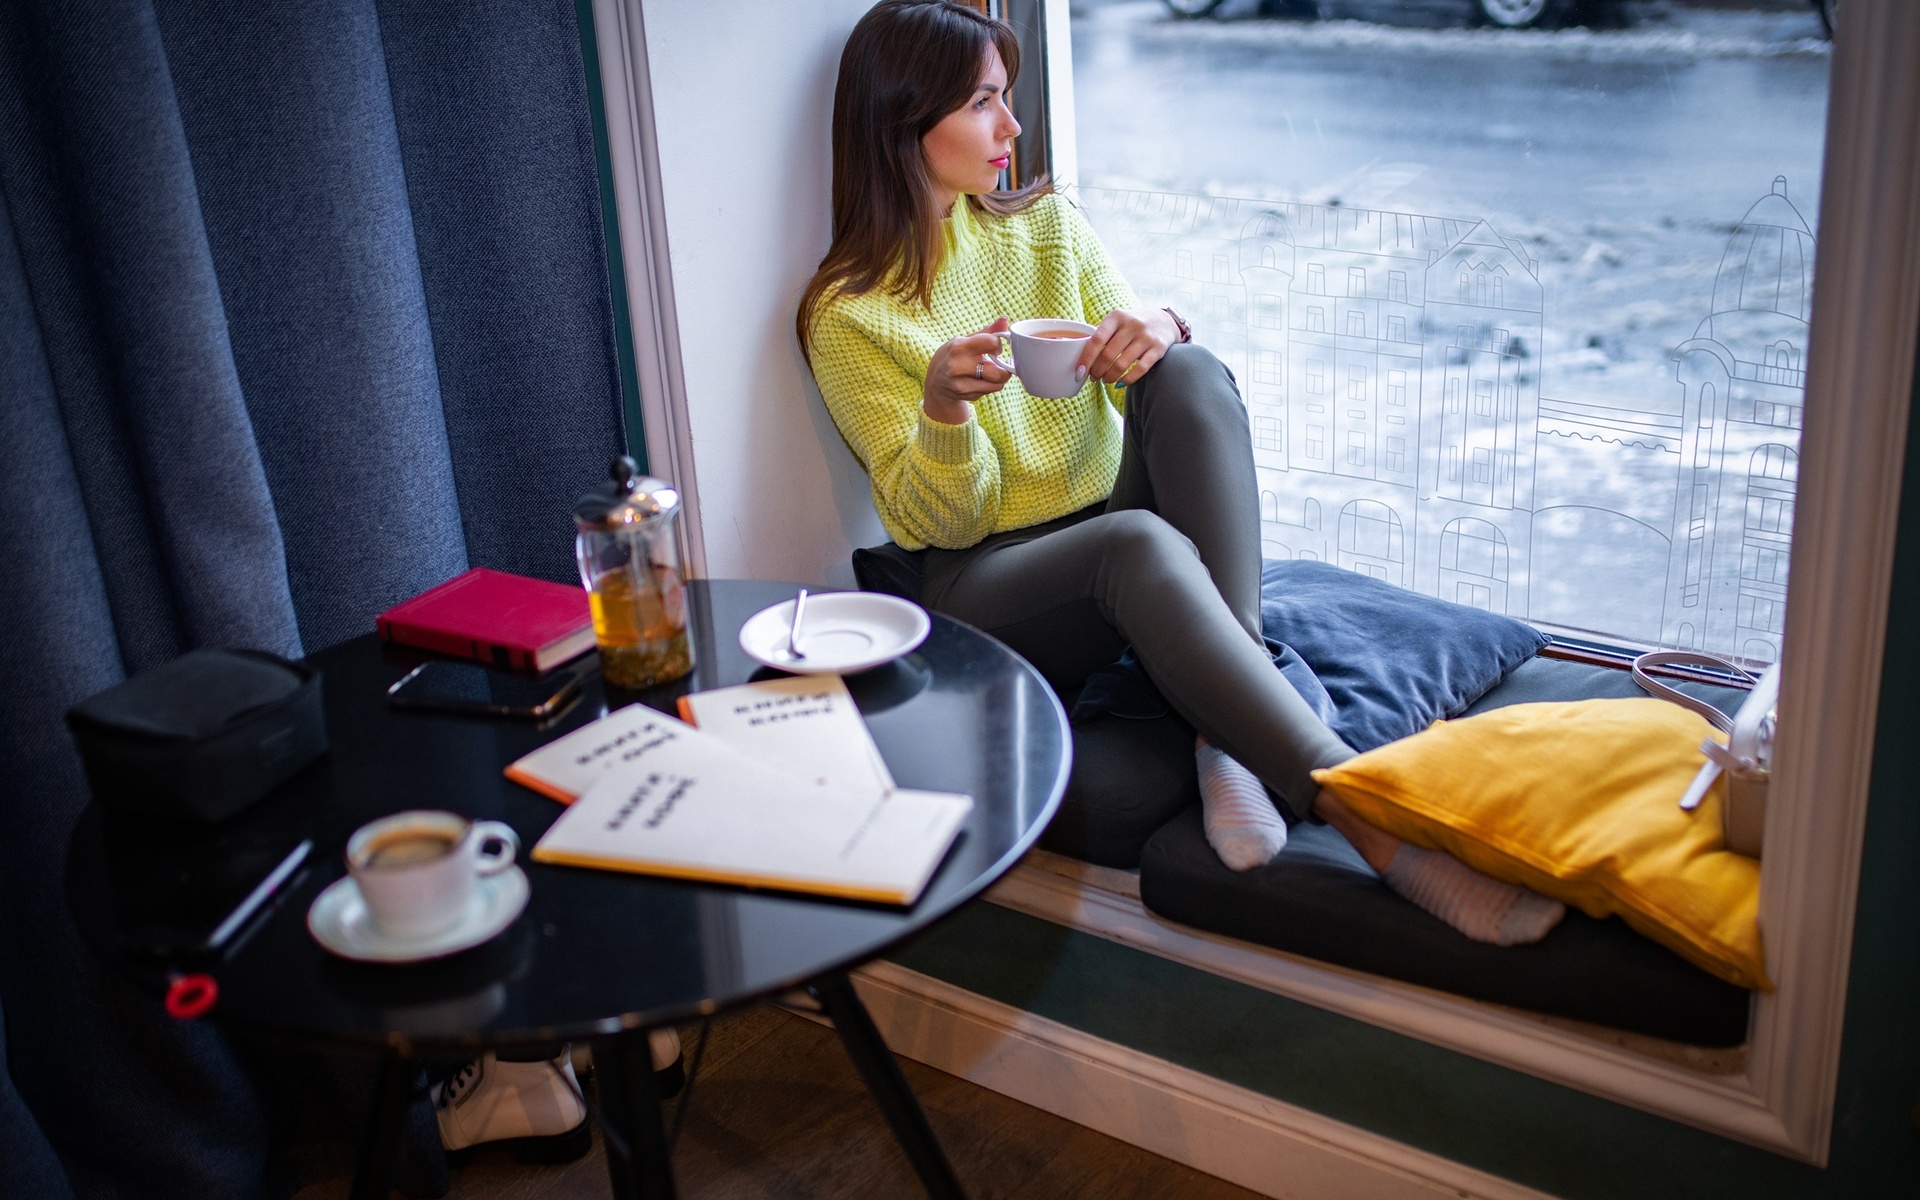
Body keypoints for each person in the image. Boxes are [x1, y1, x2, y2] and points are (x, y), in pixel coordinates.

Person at [800, 0, 1561, 948]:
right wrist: (946, 411)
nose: (1013, 126)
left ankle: (1222, 732)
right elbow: (943, 526)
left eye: (1010, 98)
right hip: (986, 584)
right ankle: (1380, 830)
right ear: (903, 123)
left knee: (1191, 373)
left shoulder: (1042, 229)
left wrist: (1155, 331)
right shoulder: (849, 312)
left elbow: (1137, 378)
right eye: (986, 104)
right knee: (1133, 542)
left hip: (1103, 529)